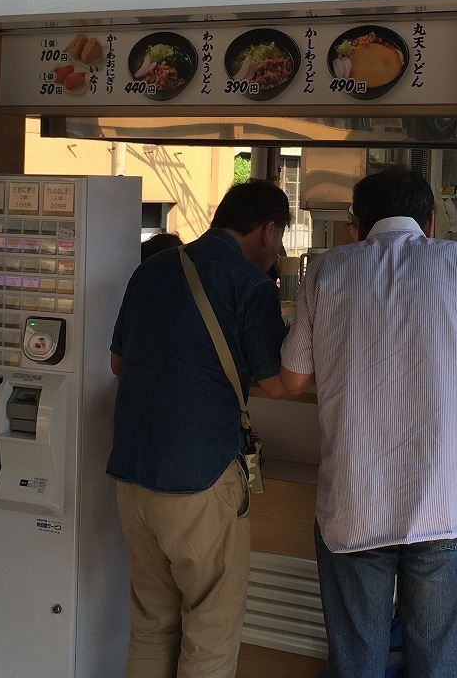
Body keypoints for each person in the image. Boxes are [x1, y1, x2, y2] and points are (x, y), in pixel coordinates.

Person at [279, 166, 457, 678]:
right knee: (434, 662)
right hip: (442, 501)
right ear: (430, 220)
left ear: (357, 225)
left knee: (356, 660)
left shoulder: (324, 271)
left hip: (354, 501)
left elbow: (293, 380)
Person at [108, 179, 291, 678]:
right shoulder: (252, 285)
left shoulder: (152, 270)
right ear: (268, 230)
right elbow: (278, 386)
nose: (276, 251)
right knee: (210, 628)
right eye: (279, 239)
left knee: (151, 621)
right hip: (201, 476)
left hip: (132, 472)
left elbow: (118, 363)